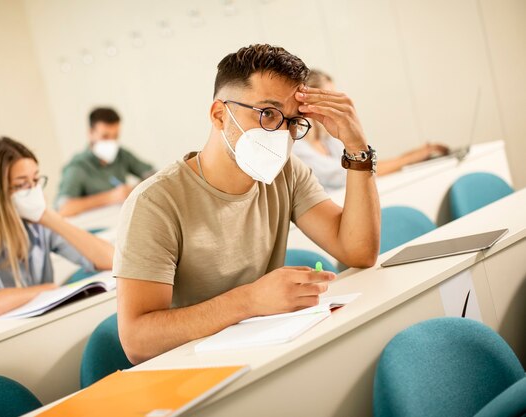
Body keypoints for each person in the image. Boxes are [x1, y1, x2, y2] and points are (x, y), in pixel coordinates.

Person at [114, 44, 381, 365]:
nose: (281, 133)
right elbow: (137, 341)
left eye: (293, 121)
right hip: (191, 371)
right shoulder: (154, 202)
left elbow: (359, 252)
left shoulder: (288, 172)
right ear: (218, 114)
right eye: (267, 114)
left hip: (267, 354)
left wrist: (356, 147)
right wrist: (250, 300)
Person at [0, 137, 114, 327]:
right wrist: (47, 289)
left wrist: (49, 216)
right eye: (22, 184)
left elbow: (112, 259)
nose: (33, 190)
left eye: (36, 180)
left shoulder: (38, 225)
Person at [293, 69, 450, 192]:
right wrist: (410, 158)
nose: (336, 102)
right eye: (330, 96)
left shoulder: (328, 139)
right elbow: (353, 172)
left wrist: (414, 155)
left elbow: (366, 163)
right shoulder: (297, 147)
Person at [56, 107, 156, 216]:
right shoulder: (78, 167)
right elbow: (64, 209)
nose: (111, 142)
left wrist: (134, 189)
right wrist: (111, 197)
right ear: (91, 133)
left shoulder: (122, 155)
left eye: (115, 136)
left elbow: (153, 175)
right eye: (105, 136)